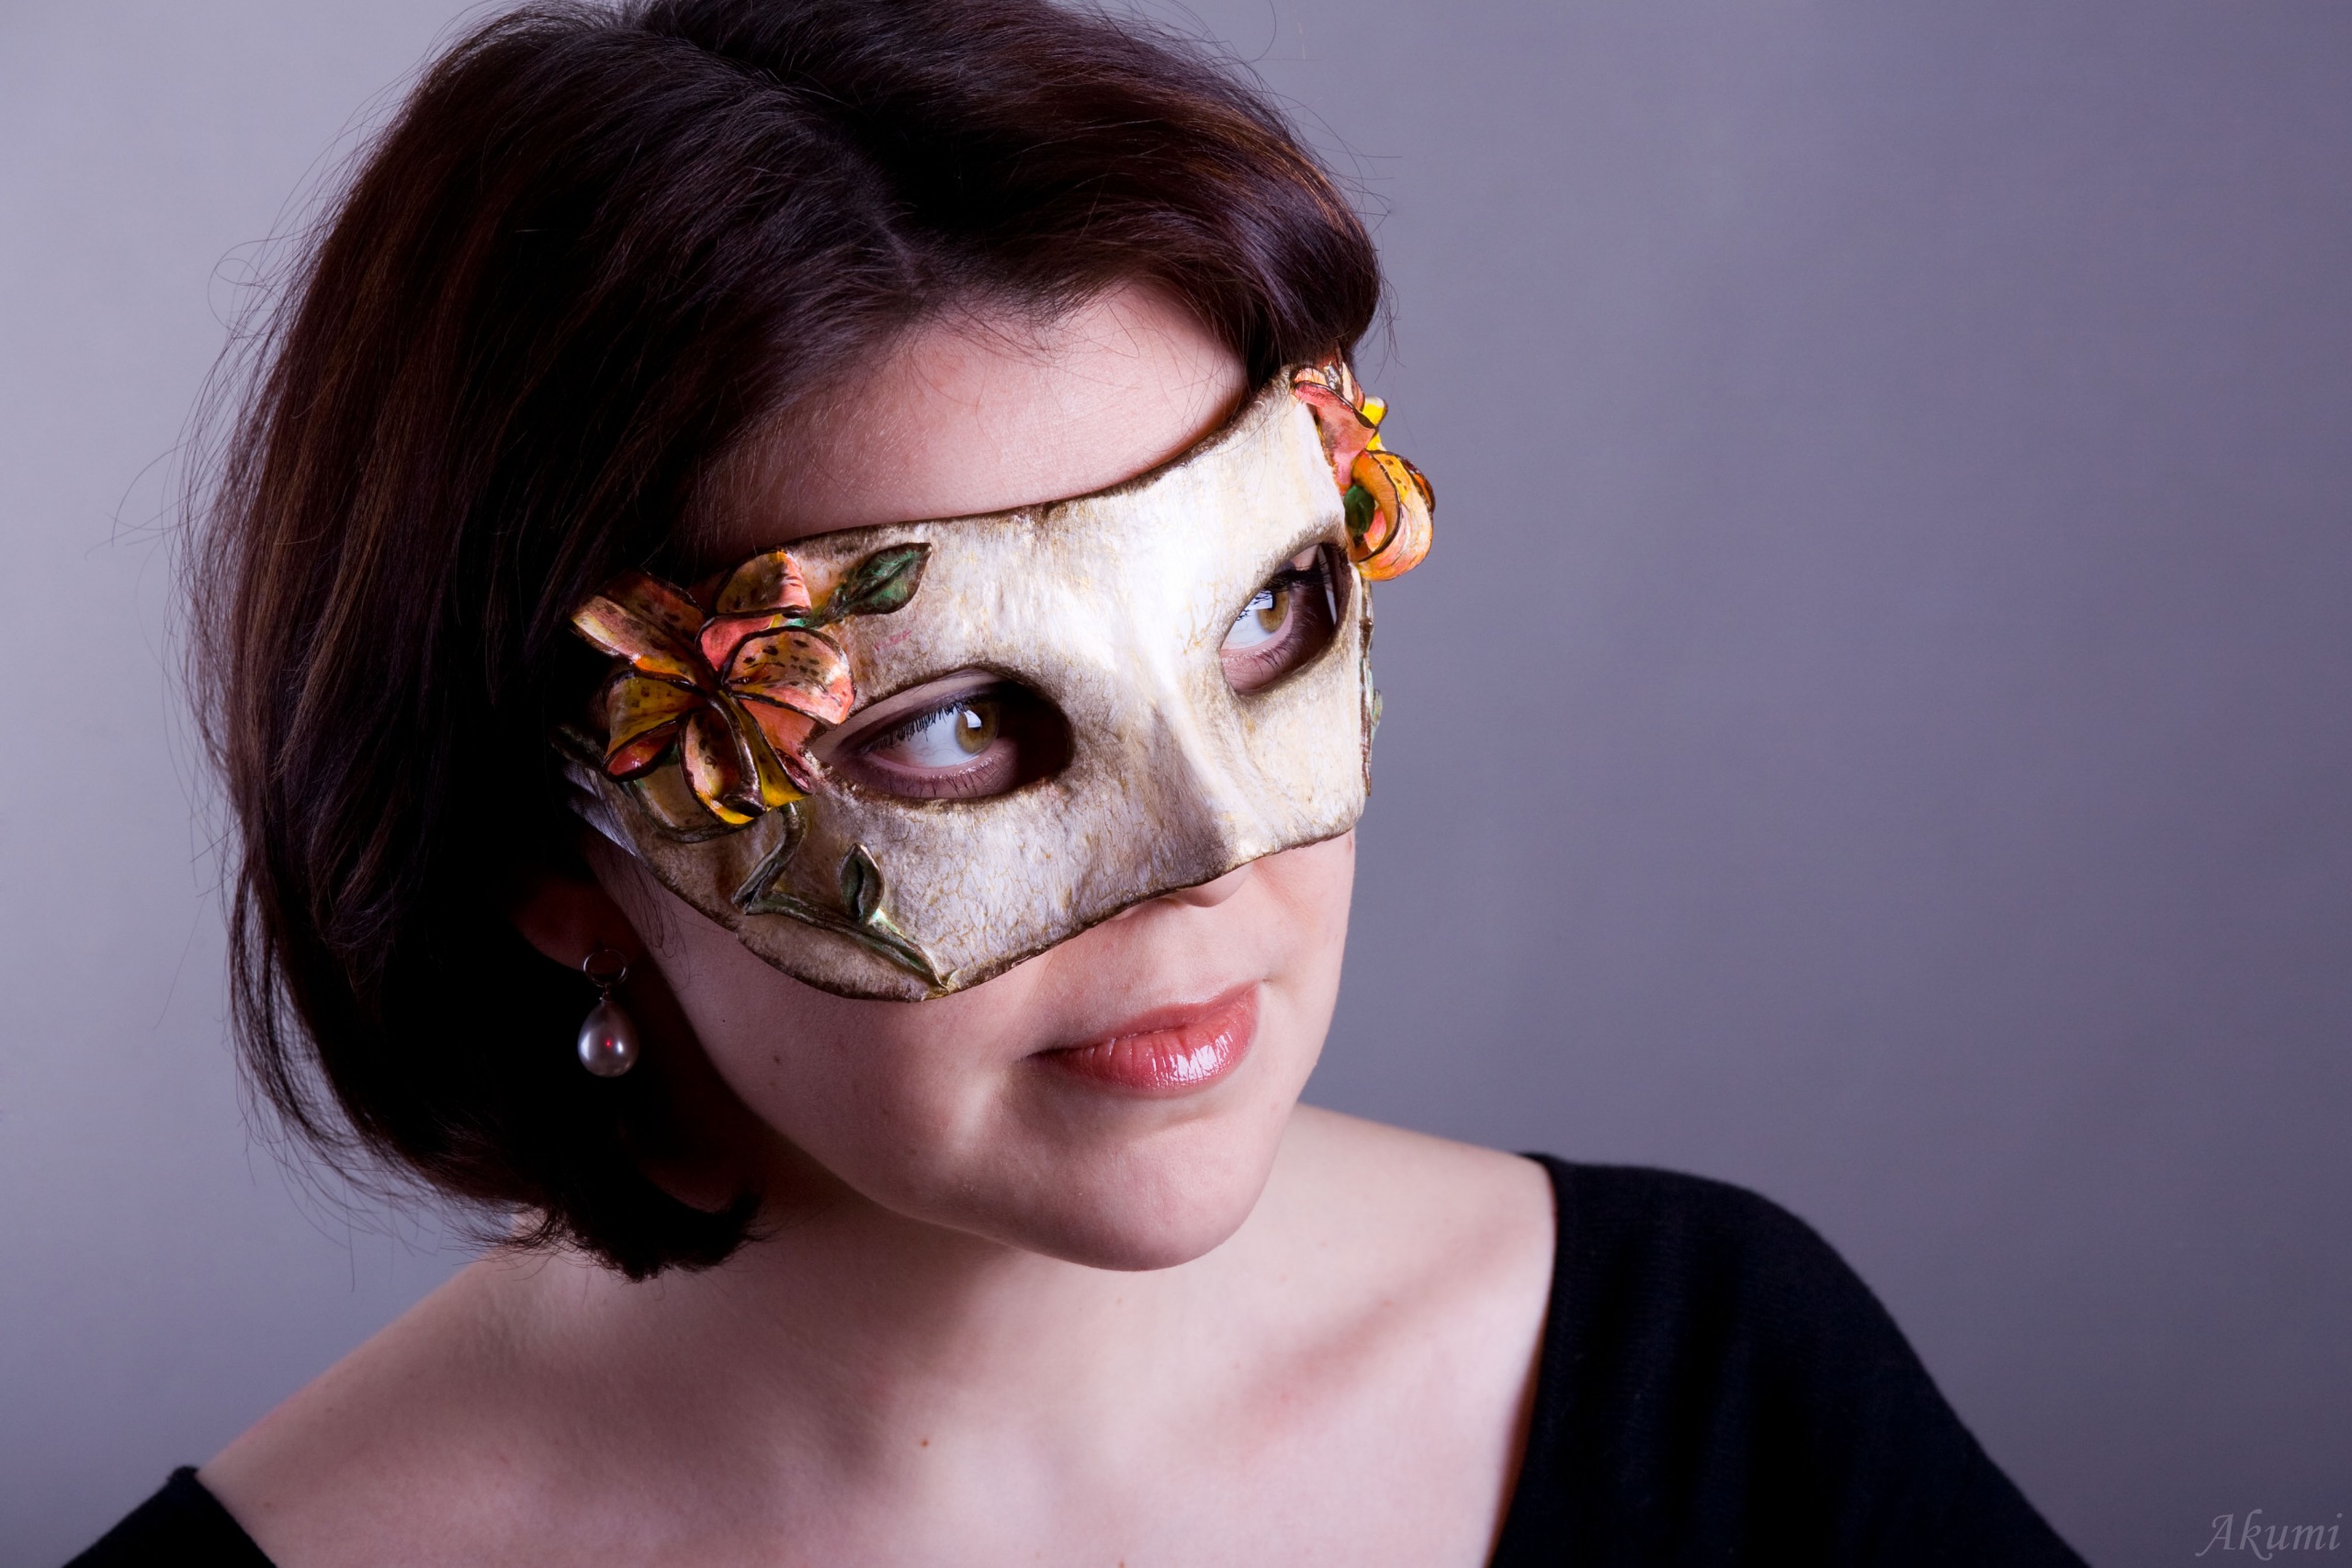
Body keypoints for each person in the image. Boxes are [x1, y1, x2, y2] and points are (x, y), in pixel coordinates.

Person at [73, 1, 2085, 1562]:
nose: (1207, 855)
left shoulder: (1716, 1398)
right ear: (556, 857)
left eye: (1268, 614)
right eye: (947, 720)